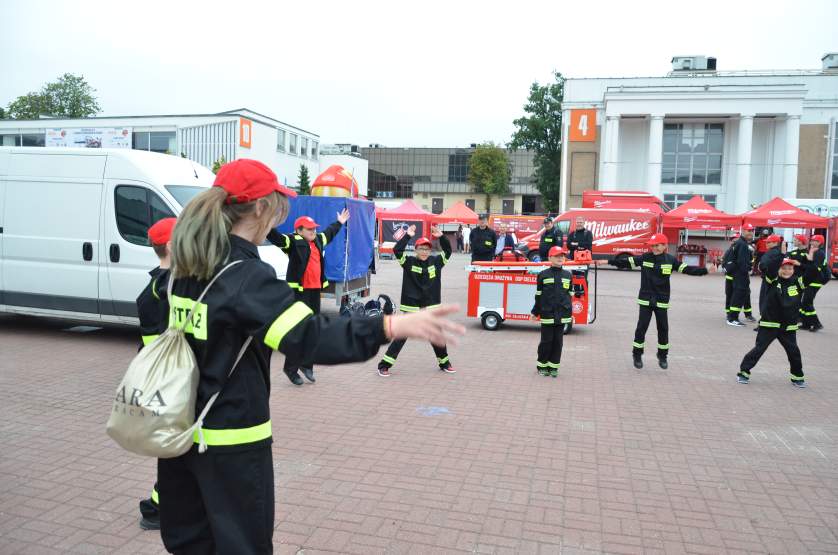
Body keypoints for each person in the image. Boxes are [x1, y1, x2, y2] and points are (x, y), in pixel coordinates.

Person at [157, 159, 463, 553]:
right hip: (231, 440)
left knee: (191, 542)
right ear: (262, 209)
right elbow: (308, 337)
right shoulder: (244, 276)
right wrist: (391, 326)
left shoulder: (188, 265)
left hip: (179, 430)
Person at [267, 210, 350, 385]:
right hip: (299, 293)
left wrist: (340, 222)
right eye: (309, 228)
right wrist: (265, 220)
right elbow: (275, 237)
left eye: (314, 228)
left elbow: (329, 232)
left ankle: (306, 365)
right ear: (299, 230)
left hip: (314, 292)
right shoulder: (293, 241)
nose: (313, 231)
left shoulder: (318, 240)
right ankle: (291, 369)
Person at [609, 233, 708, 369]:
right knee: (641, 328)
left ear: (664, 246)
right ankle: (637, 354)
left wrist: (705, 270)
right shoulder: (645, 258)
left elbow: (688, 269)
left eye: (656, 245)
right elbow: (626, 262)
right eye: (652, 246)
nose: (654, 248)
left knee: (663, 329)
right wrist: (607, 261)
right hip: (646, 299)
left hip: (661, 300)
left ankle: (662, 356)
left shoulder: (670, 260)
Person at [134, 216, 176, 532]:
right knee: (174, 448)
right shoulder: (168, 288)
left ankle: (160, 504)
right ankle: (155, 508)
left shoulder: (155, 286)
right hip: (171, 379)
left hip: (164, 378)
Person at [377, 224, 455, 376]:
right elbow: (397, 250)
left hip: (430, 307)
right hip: (411, 307)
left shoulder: (436, 262)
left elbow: (448, 251)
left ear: (430, 250)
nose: (424, 252)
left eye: (427, 249)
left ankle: (444, 362)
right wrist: (408, 235)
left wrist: (442, 237)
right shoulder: (408, 262)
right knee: (401, 337)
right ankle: (384, 365)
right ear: (416, 250)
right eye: (421, 248)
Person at [737, 258, 807, 387]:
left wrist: (802, 264)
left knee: (794, 352)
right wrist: (780, 255)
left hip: (788, 326)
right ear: (778, 269)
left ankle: (797, 377)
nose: (787, 271)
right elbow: (765, 266)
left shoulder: (798, 281)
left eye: (790, 268)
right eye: (784, 268)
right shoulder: (772, 280)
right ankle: (744, 372)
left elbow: (816, 274)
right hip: (770, 324)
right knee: (759, 349)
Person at [531, 246, 576, 377]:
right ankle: (542, 365)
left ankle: (554, 366)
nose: (560, 258)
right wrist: (535, 312)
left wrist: (571, 314)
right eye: (557, 256)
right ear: (550, 258)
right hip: (547, 314)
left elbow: (570, 296)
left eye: (562, 256)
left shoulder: (568, 275)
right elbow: (538, 296)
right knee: (546, 341)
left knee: (558, 342)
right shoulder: (543, 275)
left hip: (562, 316)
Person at [726, 224, 755, 327]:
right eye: (748, 230)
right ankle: (732, 318)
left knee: (737, 295)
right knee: (738, 296)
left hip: (737, 274)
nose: (750, 232)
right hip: (740, 275)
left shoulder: (740, 243)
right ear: (743, 231)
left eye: (752, 230)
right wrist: (748, 270)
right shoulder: (742, 244)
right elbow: (742, 262)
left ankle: (732, 317)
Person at [799, 234, 829, 331]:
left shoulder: (819, 253)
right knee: (804, 303)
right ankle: (806, 324)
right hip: (811, 280)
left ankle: (817, 324)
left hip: (815, 281)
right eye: (811, 240)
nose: (811, 242)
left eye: (813, 240)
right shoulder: (814, 252)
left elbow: (814, 268)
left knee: (807, 303)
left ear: (819, 243)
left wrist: (809, 259)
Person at [757, 234, 784, 310]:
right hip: (777, 279)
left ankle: (764, 317)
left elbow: (762, 265)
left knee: (764, 299)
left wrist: (761, 268)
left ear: (775, 243)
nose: (766, 244)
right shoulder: (780, 252)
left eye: (769, 242)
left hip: (768, 279)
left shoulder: (771, 252)